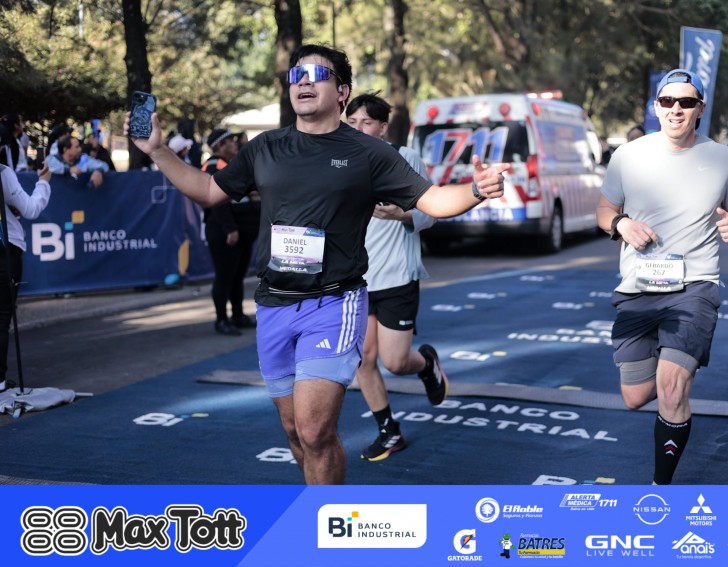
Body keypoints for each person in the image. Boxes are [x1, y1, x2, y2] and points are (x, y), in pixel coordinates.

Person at [124, 43, 508, 485]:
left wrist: (476, 189)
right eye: (296, 75)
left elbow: (433, 200)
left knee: (314, 431)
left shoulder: (368, 152)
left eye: (316, 74)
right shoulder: (265, 147)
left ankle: (326, 521)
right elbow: (210, 191)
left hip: (333, 303)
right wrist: (158, 151)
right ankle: (319, 505)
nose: (303, 82)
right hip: (273, 304)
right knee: (294, 430)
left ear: (342, 91)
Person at [596, 68, 728, 485]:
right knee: (634, 396)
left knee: (670, 386)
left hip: (694, 287)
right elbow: (604, 210)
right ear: (656, 107)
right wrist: (621, 224)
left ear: (700, 108)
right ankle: (672, 371)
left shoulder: (722, 158)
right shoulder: (628, 155)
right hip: (637, 287)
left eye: (686, 102)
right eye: (668, 101)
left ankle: (660, 488)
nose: (676, 109)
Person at [344, 92, 444, 461]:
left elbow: (431, 212)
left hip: (396, 276)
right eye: (351, 122)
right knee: (362, 360)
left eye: (366, 122)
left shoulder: (404, 157)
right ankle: (389, 431)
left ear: (383, 127)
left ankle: (426, 364)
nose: (358, 129)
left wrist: (401, 215)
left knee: (396, 362)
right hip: (356, 279)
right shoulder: (339, 160)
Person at [0, 124, 52, 392]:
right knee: (2, 314)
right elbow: (31, 209)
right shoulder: (3, 172)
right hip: (5, 248)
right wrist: (43, 183)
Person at [200, 128, 261, 336]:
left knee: (237, 275)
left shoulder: (231, 163)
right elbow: (217, 203)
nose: (235, 144)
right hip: (224, 232)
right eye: (229, 142)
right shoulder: (213, 165)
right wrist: (230, 229)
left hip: (243, 232)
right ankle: (221, 320)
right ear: (219, 145)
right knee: (225, 276)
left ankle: (237, 315)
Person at [45, 133, 110, 189]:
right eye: (77, 147)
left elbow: (104, 165)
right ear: (65, 149)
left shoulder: (83, 159)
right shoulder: (52, 159)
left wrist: (98, 171)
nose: (80, 149)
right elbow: (49, 167)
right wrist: (69, 170)